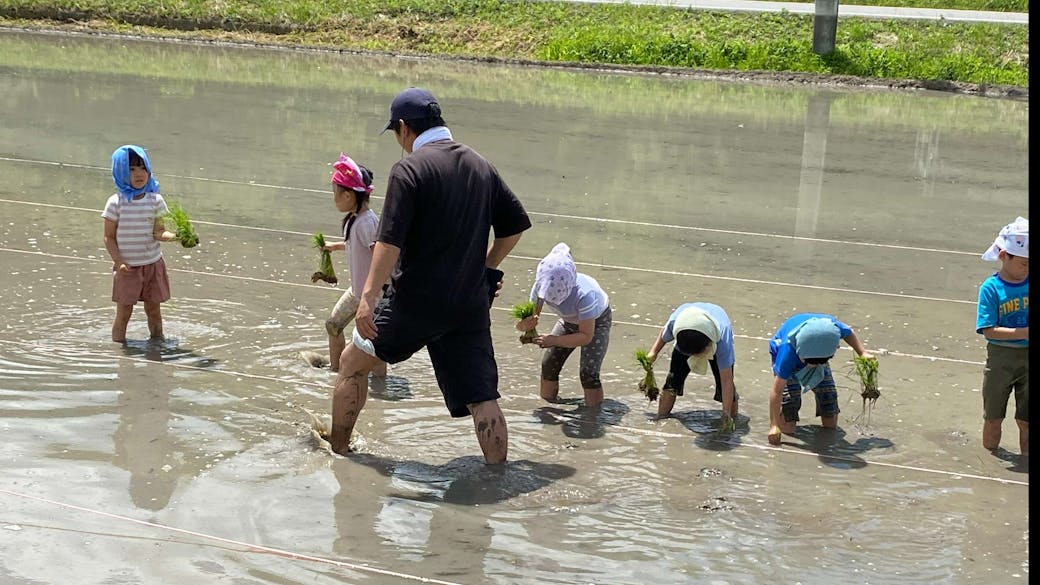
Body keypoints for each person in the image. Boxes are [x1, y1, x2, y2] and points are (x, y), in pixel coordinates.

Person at [331, 87, 531, 463]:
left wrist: (369, 297)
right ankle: (497, 477)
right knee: (483, 397)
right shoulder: (480, 164)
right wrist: (486, 268)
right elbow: (513, 228)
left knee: (351, 363)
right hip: (468, 305)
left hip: (415, 302)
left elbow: (388, 243)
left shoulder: (410, 169)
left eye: (395, 133)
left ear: (404, 128)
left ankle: (339, 454)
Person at [301, 154, 388, 376]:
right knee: (333, 325)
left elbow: (380, 254)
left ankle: (380, 385)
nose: (334, 199)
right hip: (357, 291)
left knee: (375, 345)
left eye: (336, 194)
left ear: (349, 196)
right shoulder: (354, 219)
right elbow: (354, 246)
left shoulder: (367, 222)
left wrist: (378, 293)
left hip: (371, 294)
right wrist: (334, 247)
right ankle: (337, 371)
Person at [514, 242, 611, 408]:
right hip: (568, 321)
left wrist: (553, 340)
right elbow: (528, 321)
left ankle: (592, 417)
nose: (551, 300)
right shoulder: (541, 285)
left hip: (596, 322)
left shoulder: (585, 295)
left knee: (588, 373)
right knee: (549, 365)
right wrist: (524, 326)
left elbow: (586, 337)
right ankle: (548, 407)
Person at [102, 145, 179, 343]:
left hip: (153, 264)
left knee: (154, 310)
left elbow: (159, 232)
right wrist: (118, 261)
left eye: (143, 168)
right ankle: (119, 351)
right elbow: (109, 237)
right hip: (127, 268)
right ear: (120, 172)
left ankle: (158, 343)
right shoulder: (115, 203)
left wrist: (177, 237)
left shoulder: (156, 200)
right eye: (131, 169)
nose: (139, 174)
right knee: (124, 313)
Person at [766, 313, 873, 445]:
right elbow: (777, 391)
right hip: (796, 355)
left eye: (824, 361)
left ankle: (827, 438)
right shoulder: (787, 353)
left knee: (829, 397)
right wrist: (774, 425)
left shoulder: (831, 328)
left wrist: (862, 352)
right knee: (790, 405)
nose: (815, 365)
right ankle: (783, 423)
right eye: (813, 363)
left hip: (815, 351)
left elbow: (848, 333)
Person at [976, 216, 1028, 456]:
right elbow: (989, 330)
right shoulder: (991, 288)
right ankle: (989, 465)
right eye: (1024, 263)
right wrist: (1024, 332)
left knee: (1026, 421)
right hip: (1001, 358)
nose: (1027, 268)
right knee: (993, 417)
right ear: (1003, 255)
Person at [645, 302, 737, 426]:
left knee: (724, 385)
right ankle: (661, 417)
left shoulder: (722, 340)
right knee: (673, 380)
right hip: (687, 331)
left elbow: (727, 381)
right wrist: (653, 352)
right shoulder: (676, 323)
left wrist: (726, 414)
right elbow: (664, 335)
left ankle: (733, 420)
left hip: (712, 334)